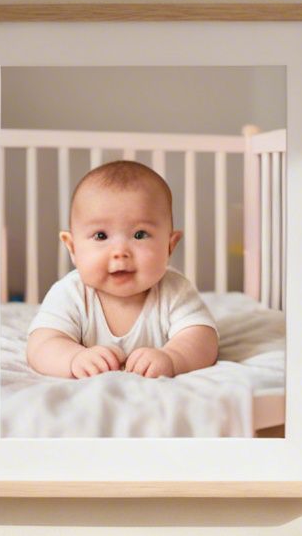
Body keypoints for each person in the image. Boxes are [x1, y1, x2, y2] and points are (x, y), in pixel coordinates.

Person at [26, 160, 219, 379]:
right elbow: (41, 344)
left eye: (140, 235)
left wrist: (173, 358)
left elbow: (203, 339)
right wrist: (73, 358)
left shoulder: (174, 290)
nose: (120, 252)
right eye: (101, 236)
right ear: (72, 247)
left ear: (169, 245)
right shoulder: (71, 293)